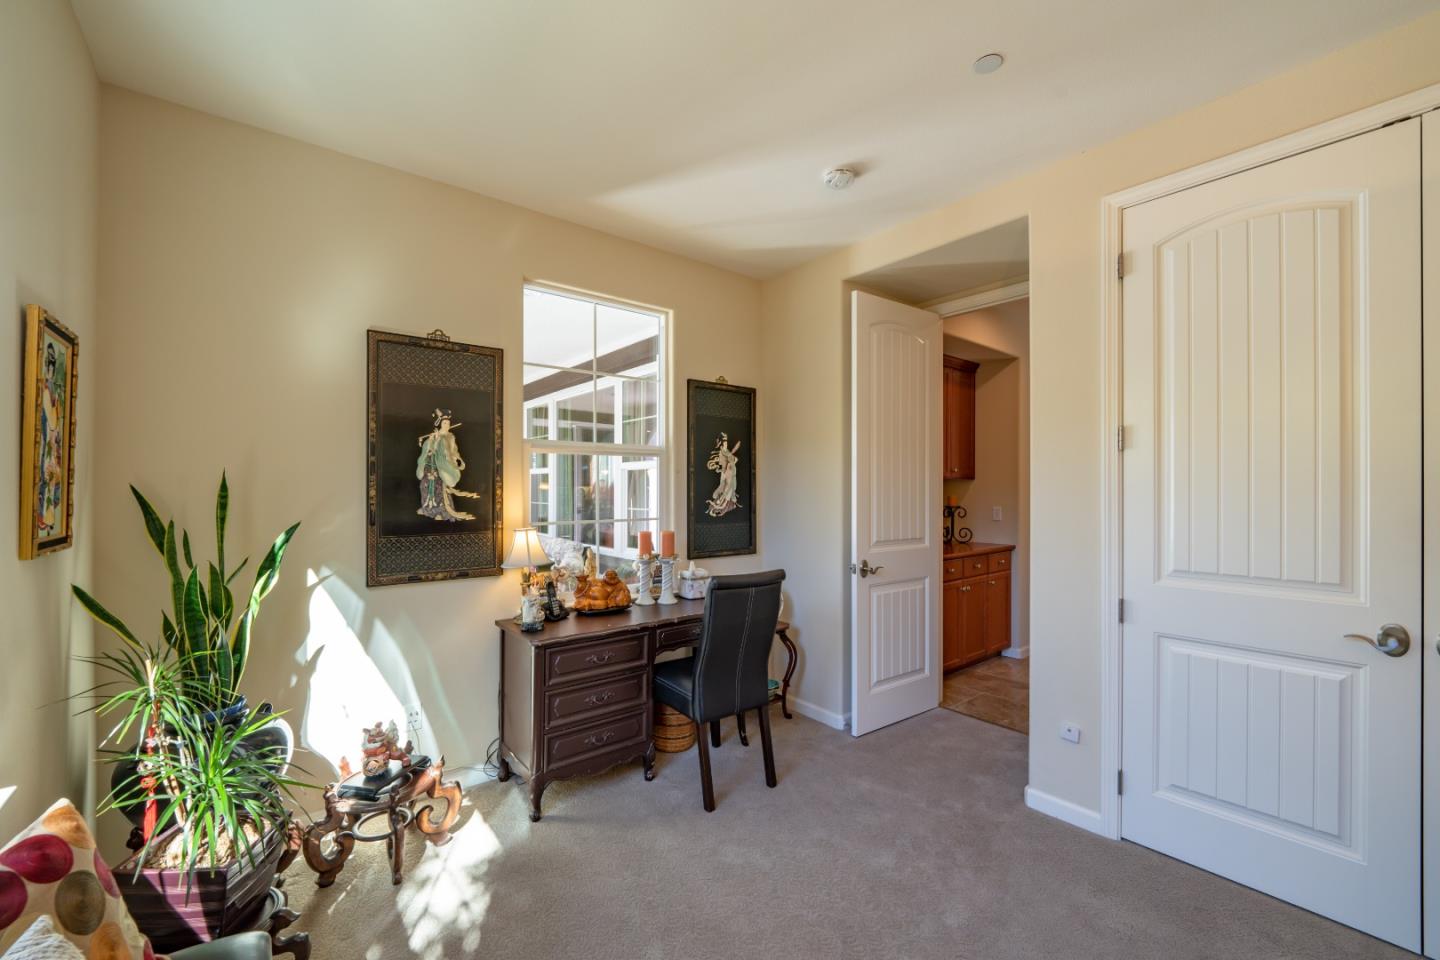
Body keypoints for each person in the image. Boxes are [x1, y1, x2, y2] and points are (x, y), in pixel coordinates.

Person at [416, 408, 481, 521]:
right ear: (440, 424)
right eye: (445, 423)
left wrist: (456, 458)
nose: (447, 425)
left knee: (439, 488)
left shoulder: (450, 437)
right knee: (425, 486)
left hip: (441, 467)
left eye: (448, 423)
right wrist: (433, 440)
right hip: (430, 466)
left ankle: (441, 512)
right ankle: (427, 509)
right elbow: (429, 449)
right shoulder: (432, 437)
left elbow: (453, 450)